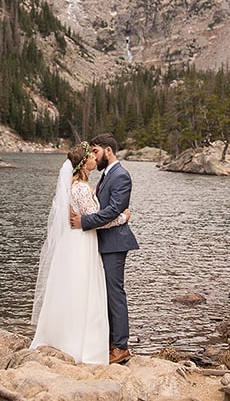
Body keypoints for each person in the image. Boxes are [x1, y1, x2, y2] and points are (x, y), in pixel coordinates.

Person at [30, 142, 130, 364]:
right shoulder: (82, 188)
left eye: (96, 153)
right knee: (85, 288)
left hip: (75, 241)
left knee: (74, 288)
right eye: (91, 155)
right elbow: (95, 219)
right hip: (83, 241)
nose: (95, 158)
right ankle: (85, 342)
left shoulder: (77, 186)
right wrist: (124, 218)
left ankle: (73, 336)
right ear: (84, 162)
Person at [70, 132, 139, 365]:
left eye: (97, 152)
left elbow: (113, 211)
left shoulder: (121, 175)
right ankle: (109, 341)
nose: (94, 157)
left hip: (115, 243)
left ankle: (121, 347)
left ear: (108, 151)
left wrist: (84, 222)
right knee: (105, 293)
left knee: (115, 293)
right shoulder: (106, 175)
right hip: (104, 241)